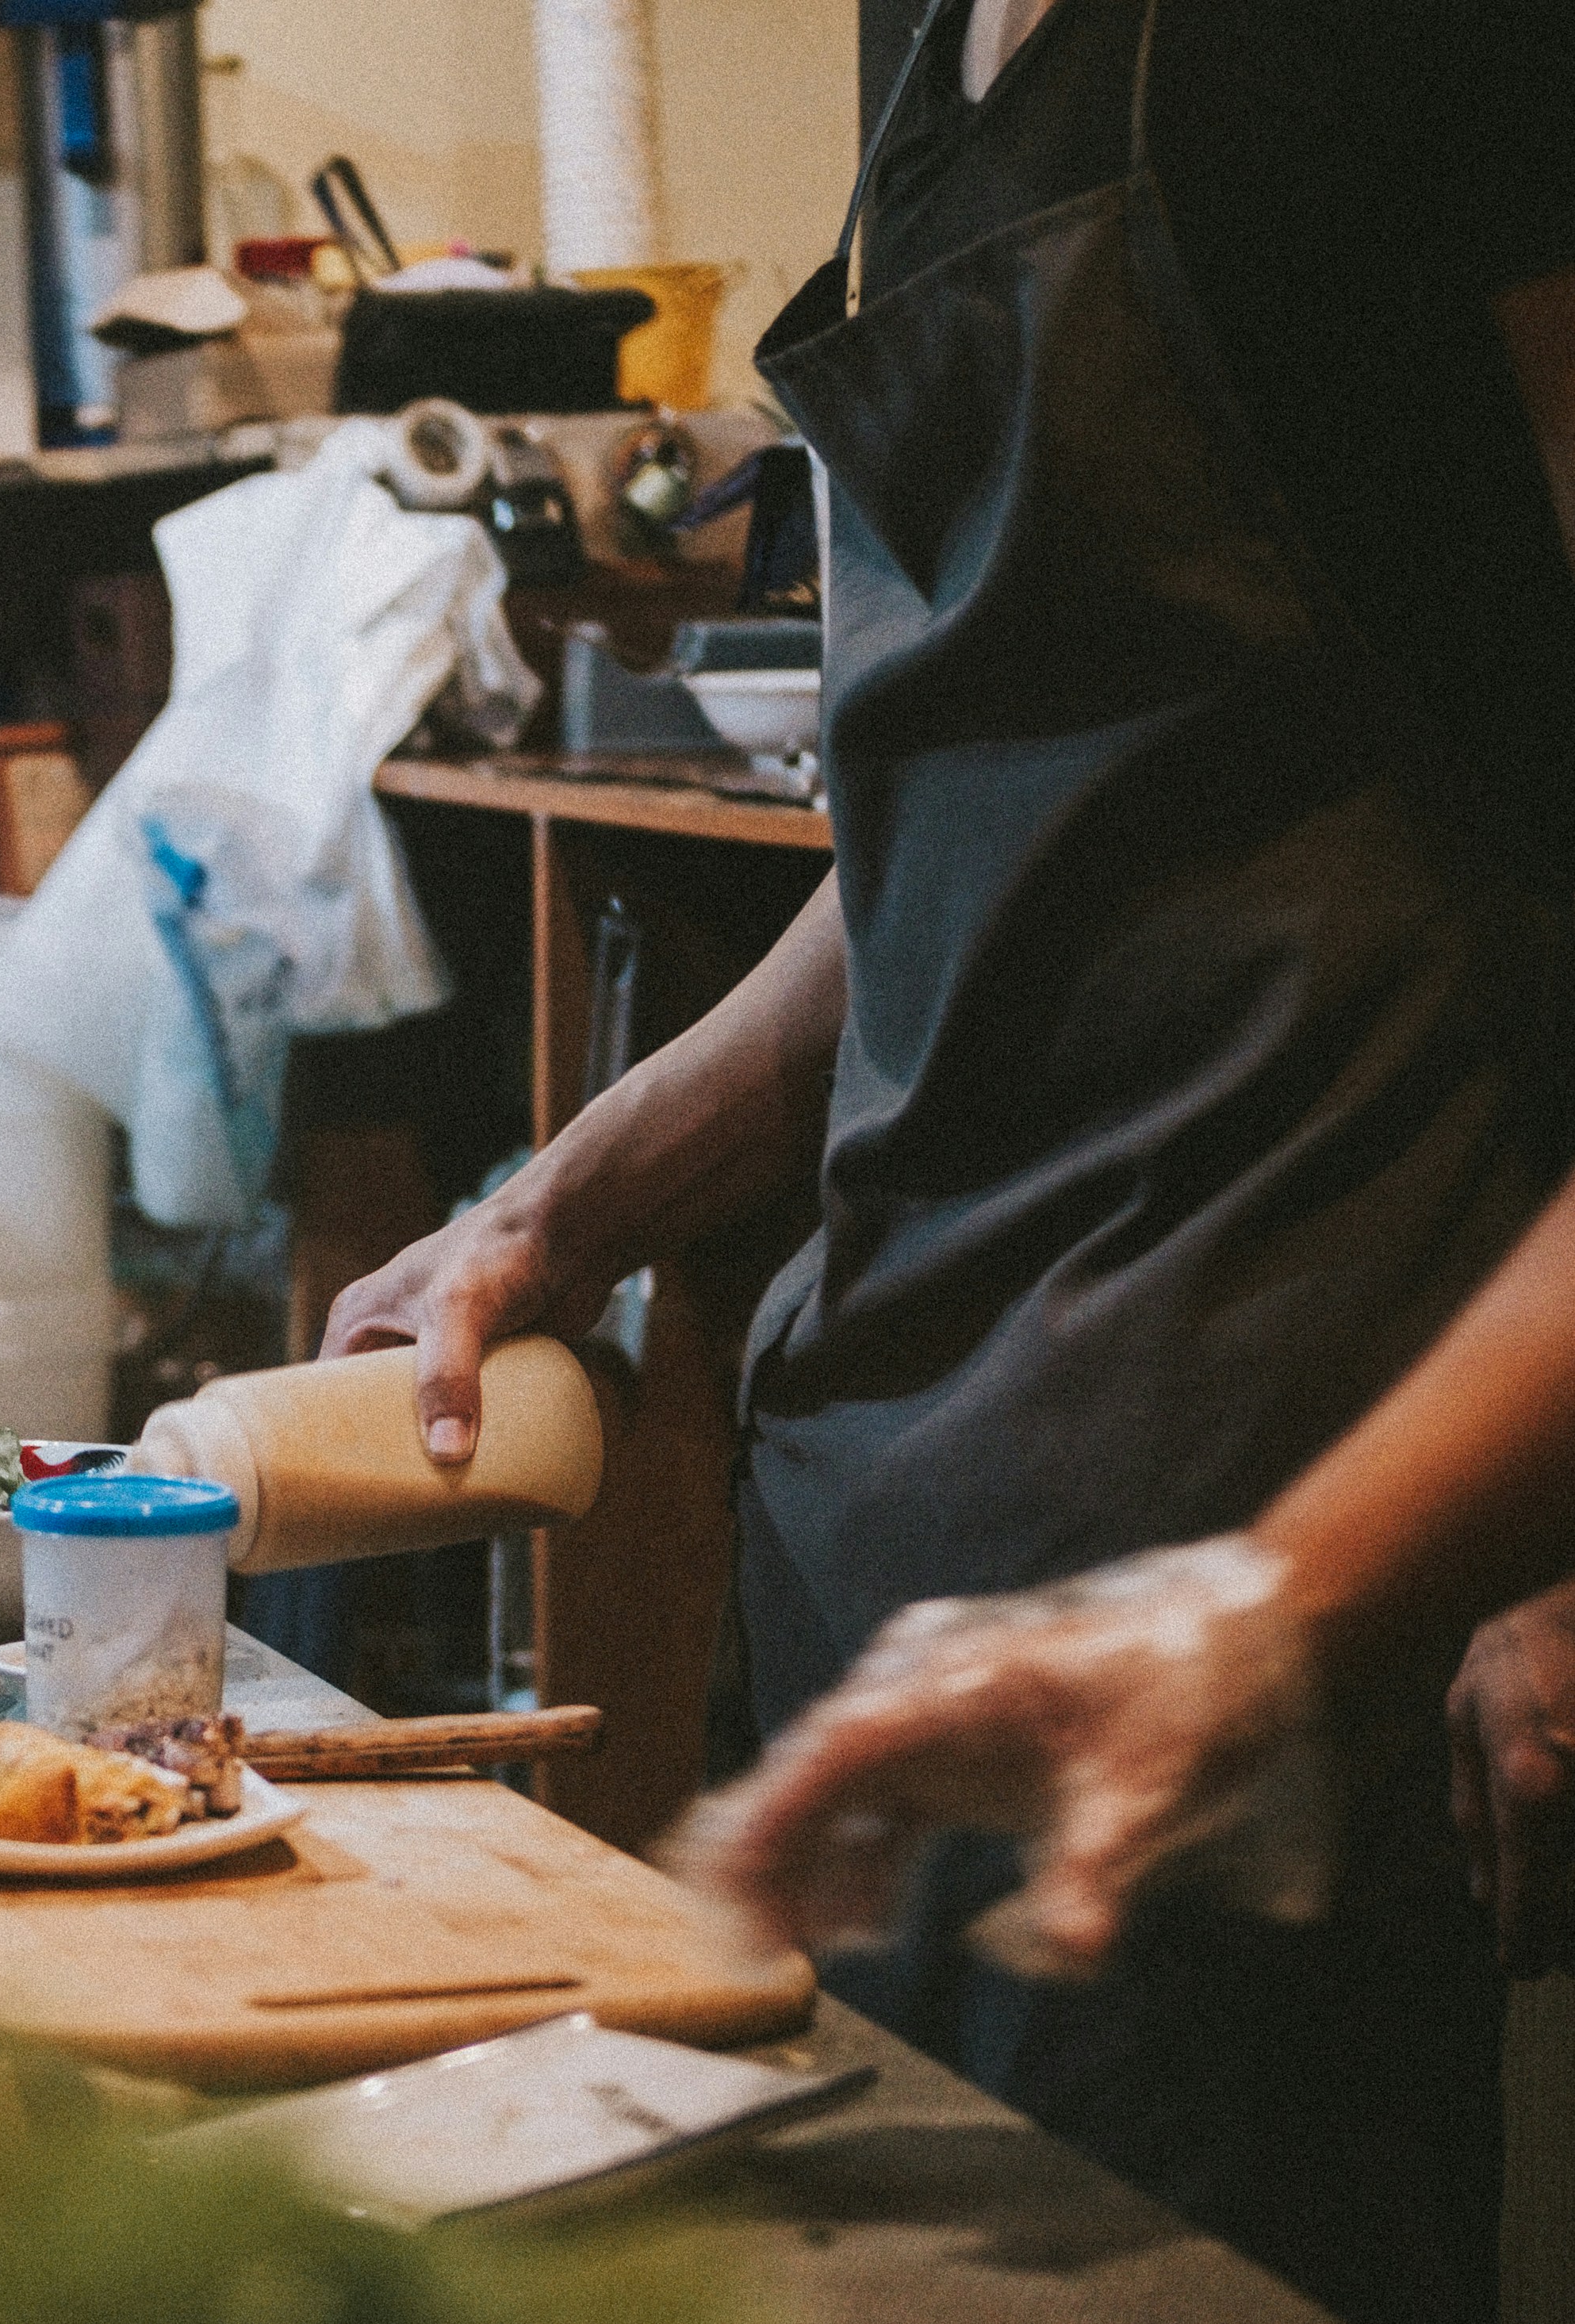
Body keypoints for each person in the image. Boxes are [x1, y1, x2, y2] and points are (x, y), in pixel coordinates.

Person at [321, 2, 1575, 2314]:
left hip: (1253, 1535)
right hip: (876, 1524)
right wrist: (548, 1209)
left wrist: (1503, 1538)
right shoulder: (935, 43)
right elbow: (961, 818)